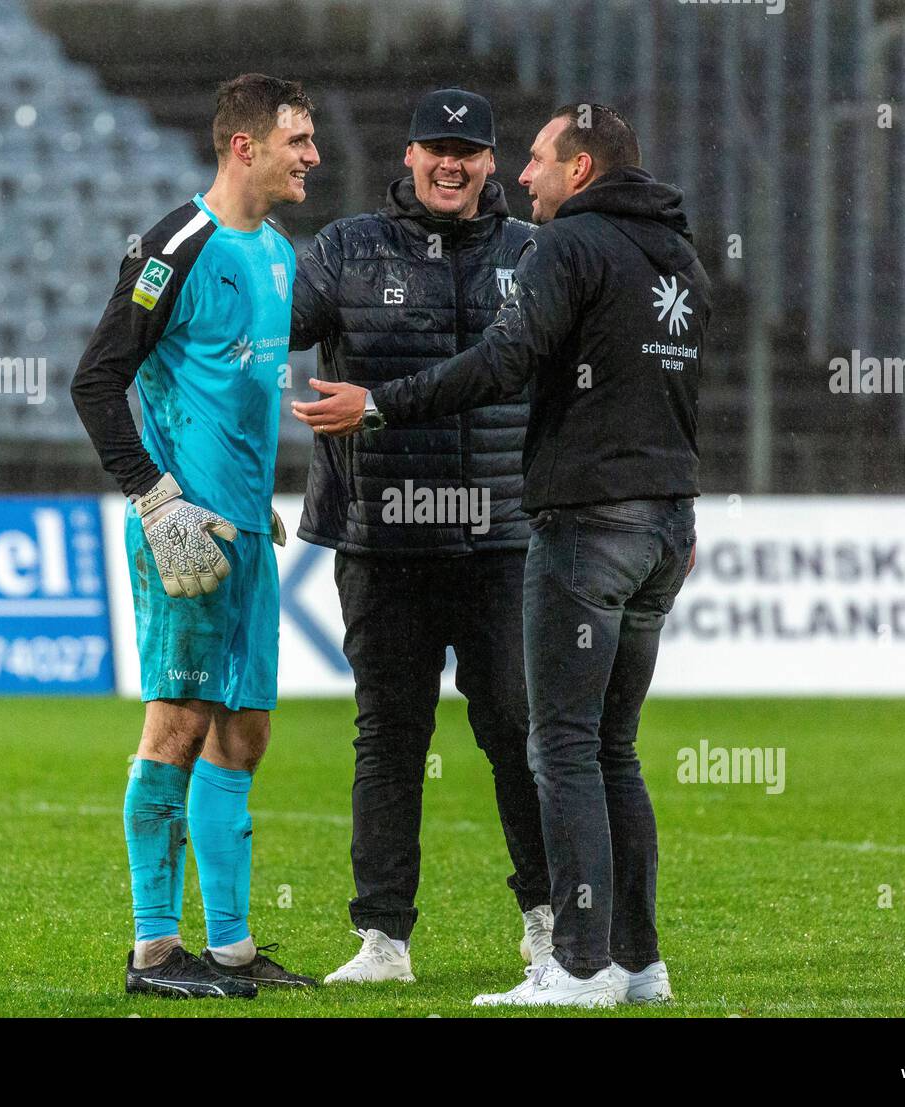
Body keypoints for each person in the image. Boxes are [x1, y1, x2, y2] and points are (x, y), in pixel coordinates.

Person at [292, 103, 710, 1008]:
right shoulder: (675, 252)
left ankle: (576, 957)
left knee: (552, 743)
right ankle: (632, 963)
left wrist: (378, 404)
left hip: (553, 528)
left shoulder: (554, 246)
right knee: (604, 748)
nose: (518, 173)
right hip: (641, 519)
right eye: (443, 149)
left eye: (522, 157)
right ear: (408, 155)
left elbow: (506, 360)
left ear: (582, 169)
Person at [289, 88, 552, 984]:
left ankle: (547, 919)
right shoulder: (343, 250)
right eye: (437, 146)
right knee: (390, 735)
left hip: (503, 537)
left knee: (518, 730)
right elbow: (259, 331)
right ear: (407, 154)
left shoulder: (534, 254)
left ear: (491, 160)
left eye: (469, 149)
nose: (452, 162)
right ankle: (383, 939)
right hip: (381, 538)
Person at [72, 73, 320, 998]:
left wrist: (257, 502)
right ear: (243, 146)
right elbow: (95, 380)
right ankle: (151, 951)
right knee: (174, 726)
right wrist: (153, 495)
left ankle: (230, 949)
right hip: (182, 532)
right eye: (298, 138)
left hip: (247, 533)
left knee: (244, 733)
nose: (314, 156)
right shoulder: (175, 246)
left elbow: (241, 399)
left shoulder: (281, 255)